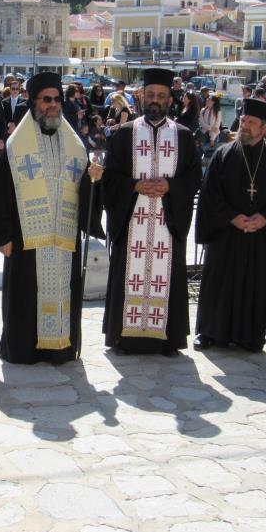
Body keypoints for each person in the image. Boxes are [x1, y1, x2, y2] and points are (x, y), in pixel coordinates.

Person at [0, 72, 104, 364]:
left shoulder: (75, 146)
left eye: (56, 100)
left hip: (63, 240)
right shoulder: (16, 147)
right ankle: (23, 349)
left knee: (63, 292)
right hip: (27, 240)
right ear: (33, 103)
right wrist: (3, 237)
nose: (53, 105)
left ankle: (60, 348)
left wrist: (93, 180)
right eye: (47, 100)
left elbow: (82, 192)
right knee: (26, 298)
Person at [101, 68, 202, 357]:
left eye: (161, 96)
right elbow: (110, 179)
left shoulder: (183, 136)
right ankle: (124, 337)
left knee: (166, 277)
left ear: (170, 99)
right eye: (150, 95)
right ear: (142, 96)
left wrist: (170, 187)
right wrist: (135, 185)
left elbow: (194, 179)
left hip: (166, 227)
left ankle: (166, 339)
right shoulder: (123, 135)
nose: (155, 100)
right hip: (133, 221)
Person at [194, 98, 266, 352]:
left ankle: (250, 336)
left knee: (256, 285)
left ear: (265, 128)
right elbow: (210, 195)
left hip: (261, 236)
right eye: (243, 121)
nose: (245, 126)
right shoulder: (223, 154)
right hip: (226, 234)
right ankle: (209, 332)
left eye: (251, 123)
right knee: (219, 282)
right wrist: (232, 216)